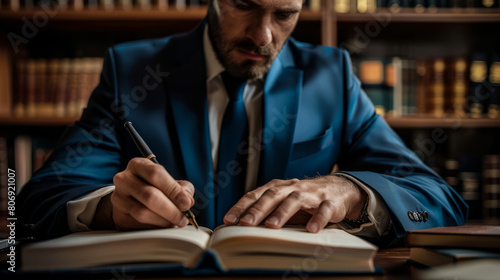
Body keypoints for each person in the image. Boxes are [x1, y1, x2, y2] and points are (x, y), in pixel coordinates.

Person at [18, 0, 467, 247]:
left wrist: (350, 191)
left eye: (285, 13)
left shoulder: (332, 76)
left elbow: (437, 196)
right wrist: (106, 209)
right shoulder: (132, 70)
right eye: (245, 5)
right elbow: (40, 199)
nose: (263, 36)